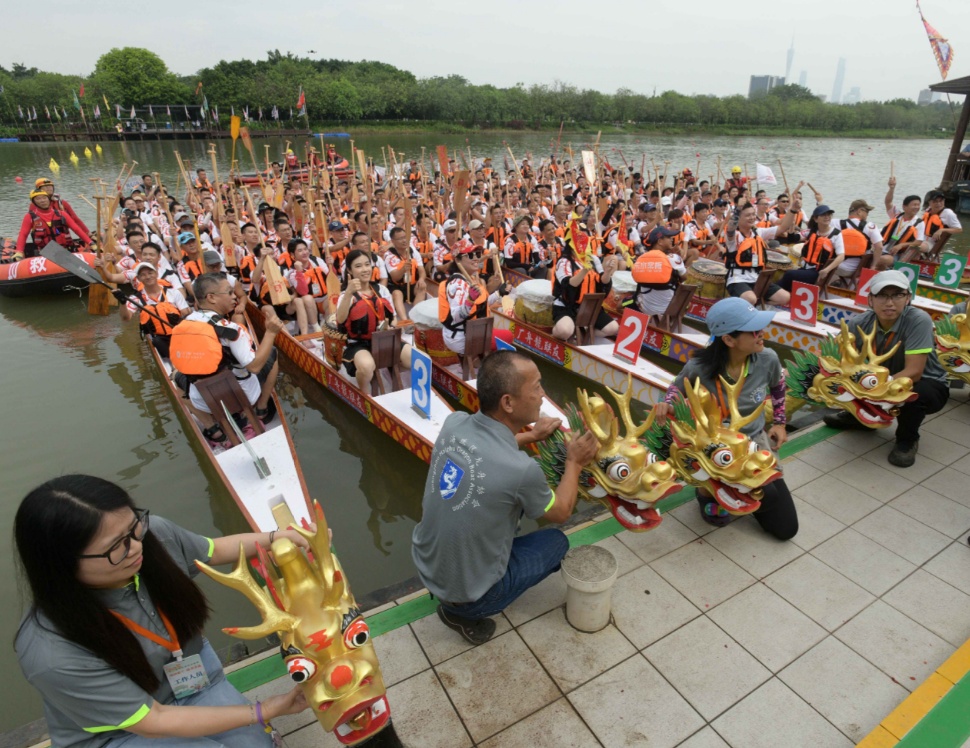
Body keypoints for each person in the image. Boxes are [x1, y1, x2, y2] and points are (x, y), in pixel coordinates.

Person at [14, 474, 311, 748]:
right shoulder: (51, 653)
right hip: (122, 733)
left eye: (133, 526)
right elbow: (152, 720)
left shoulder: (152, 535)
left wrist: (277, 539)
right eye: (116, 546)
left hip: (193, 683)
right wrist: (265, 709)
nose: (135, 547)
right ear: (61, 564)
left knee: (255, 744)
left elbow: (214, 550)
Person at [411, 351, 599, 644]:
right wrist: (574, 462)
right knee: (557, 542)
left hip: (427, 566)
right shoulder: (521, 471)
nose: (542, 394)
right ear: (508, 402)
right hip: (468, 596)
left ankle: (455, 594)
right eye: (536, 387)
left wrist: (531, 436)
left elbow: (488, 450)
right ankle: (463, 614)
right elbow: (561, 511)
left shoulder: (454, 424)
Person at [653, 298, 797, 538]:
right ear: (729, 340)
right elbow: (675, 389)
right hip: (712, 447)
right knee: (732, 492)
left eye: (759, 327)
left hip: (752, 442)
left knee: (785, 528)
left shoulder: (768, 359)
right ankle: (706, 493)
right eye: (753, 331)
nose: (761, 333)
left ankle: (739, 489)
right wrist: (667, 405)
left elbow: (779, 387)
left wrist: (780, 423)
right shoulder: (699, 366)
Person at [823, 269, 950, 467]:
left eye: (897, 295)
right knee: (848, 378)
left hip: (925, 382)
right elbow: (842, 362)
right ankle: (860, 418)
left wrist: (874, 390)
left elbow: (915, 371)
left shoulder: (918, 319)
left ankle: (907, 439)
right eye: (882, 295)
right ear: (870, 299)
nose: (889, 302)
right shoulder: (859, 322)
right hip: (881, 380)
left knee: (914, 392)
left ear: (908, 298)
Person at [178, 273, 282, 444]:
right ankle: (261, 407)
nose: (235, 296)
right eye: (229, 293)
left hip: (204, 399)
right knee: (271, 351)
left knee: (176, 378)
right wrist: (270, 333)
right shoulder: (232, 330)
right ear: (211, 298)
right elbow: (254, 367)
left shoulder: (185, 323)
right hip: (240, 395)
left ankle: (213, 428)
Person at [334, 249, 412, 392]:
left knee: (419, 360)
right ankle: (365, 393)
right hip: (359, 343)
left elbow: (393, 318)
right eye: (358, 266)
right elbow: (340, 320)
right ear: (349, 271)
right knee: (367, 366)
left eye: (367, 265)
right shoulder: (346, 295)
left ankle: (393, 369)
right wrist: (349, 294)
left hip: (384, 339)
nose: (365, 270)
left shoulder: (381, 290)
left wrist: (391, 327)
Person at [438, 240, 512, 357]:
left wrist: (499, 293)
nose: (476, 258)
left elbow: (480, 304)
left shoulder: (468, 278)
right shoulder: (457, 284)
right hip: (461, 337)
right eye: (470, 255)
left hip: (466, 332)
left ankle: (481, 359)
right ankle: (486, 362)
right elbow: (456, 317)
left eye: (478, 254)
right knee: (508, 336)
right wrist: (469, 300)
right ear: (457, 260)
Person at [723, 200, 799, 306]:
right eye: (748, 215)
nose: (752, 217)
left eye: (753, 214)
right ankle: (745, 304)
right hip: (737, 279)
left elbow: (782, 228)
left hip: (757, 278)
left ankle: (755, 307)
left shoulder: (758, 232)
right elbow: (730, 229)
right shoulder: (734, 236)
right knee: (750, 298)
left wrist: (793, 210)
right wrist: (736, 213)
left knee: (785, 297)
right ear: (739, 218)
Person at [550, 232, 620, 341]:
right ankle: (558, 332)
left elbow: (602, 282)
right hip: (567, 306)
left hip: (589, 305)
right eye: (579, 244)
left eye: (585, 244)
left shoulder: (593, 259)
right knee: (564, 331)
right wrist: (585, 270)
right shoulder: (564, 261)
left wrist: (607, 272)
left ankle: (584, 333)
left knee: (613, 328)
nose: (583, 247)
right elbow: (568, 285)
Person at [118, 262, 190, 357]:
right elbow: (125, 318)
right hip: (159, 338)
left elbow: (186, 313)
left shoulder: (173, 293)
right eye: (143, 275)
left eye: (150, 273)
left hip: (178, 333)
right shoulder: (136, 298)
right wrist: (122, 303)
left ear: (156, 274)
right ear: (138, 279)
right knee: (157, 341)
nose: (147, 277)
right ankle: (173, 361)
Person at [779, 205, 844, 291]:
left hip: (818, 272)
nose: (827, 217)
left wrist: (826, 270)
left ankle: (777, 294)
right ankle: (777, 293)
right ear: (816, 219)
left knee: (789, 274)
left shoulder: (836, 234)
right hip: (805, 269)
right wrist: (792, 226)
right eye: (823, 215)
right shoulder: (811, 232)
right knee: (784, 281)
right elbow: (792, 239)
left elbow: (841, 256)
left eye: (829, 214)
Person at [629, 227, 687, 321]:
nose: (672, 238)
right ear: (660, 241)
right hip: (668, 310)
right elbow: (684, 278)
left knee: (622, 302)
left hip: (645, 309)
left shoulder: (641, 259)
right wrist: (679, 259)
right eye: (668, 237)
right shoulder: (674, 258)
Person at [16, 190, 92, 258]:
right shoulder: (29, 216)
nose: (42, 201)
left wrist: (90, 243)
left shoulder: (61, 214)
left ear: (49, 199)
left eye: (44, 198)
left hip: (67, 251)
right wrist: (19, 251)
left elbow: (76, 229)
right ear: (34, 202)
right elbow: (23, 234)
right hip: (46, 253)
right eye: (38, 199)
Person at [878, 178, 927, 270]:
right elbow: (888, 202)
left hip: (896, 254)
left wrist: (901, 245)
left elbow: (918, 242)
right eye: (914, 205)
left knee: (881, 260)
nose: (917, 207)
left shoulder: (919, 223)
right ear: (904, 207)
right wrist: (892, 188)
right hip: (882, 248)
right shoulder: (896, 215)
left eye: (918, 205)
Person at [832, 199, 883, 284]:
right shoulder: (870, 226)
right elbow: (879, 247)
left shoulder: (835, 223)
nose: (867, 214)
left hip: (834, 267)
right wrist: (873, 266)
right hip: (855, 269)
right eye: (867, 211)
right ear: (859, 211)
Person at [922, 189, 963, 259]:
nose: (938, 204)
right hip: (921, 238)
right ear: (929, 202)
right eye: (935, 201)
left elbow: (959, 229)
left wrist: (941, 230)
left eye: (941, 201)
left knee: (916, 246)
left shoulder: (948, 213)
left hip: (932, 243)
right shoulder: (928, 210)